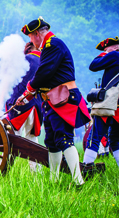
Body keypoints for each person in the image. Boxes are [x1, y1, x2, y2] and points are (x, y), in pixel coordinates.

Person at [17, 16, 91, 185]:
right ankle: (54, 180)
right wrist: (28, 94)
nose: (31, 41)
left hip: (63, 99)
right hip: (54, 100)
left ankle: (79, 182)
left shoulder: (53, 45)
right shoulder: (50, 46)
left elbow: (44, 73)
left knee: (64, 139)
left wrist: (27, 91)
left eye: (30, 37)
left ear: (36, 34)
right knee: (52, 142)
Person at [5, 42, 43, 172]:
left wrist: (11, 101)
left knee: (10, 138)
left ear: (28, 48)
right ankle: (37, 173)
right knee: (32, 139)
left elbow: (20, 84)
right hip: (36, 105)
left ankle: (2, 170)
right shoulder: (43, 61)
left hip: (21, 104)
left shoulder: (28, 59)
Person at [82, 36, 119, 168]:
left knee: (94, 137)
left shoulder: (114, 55)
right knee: (115, 140)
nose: (104, 50)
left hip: (108, 105)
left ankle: (87, 167)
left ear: (114, 47)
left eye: (105, 48)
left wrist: (107, 53)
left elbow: (93, 65)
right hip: (118, 109)